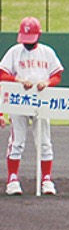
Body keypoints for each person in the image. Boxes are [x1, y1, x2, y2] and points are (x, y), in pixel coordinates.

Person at [1, 16, 64, 196]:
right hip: (19, 101)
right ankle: (12, 179)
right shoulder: (14, 52)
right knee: (17, 142)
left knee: (44, 142)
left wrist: (47, 83)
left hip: (42, 101)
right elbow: (2, 74)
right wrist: (18, 80)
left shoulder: (47, 52)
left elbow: (57, 75)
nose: (27, 43)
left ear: (39, 35)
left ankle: (46, 180)